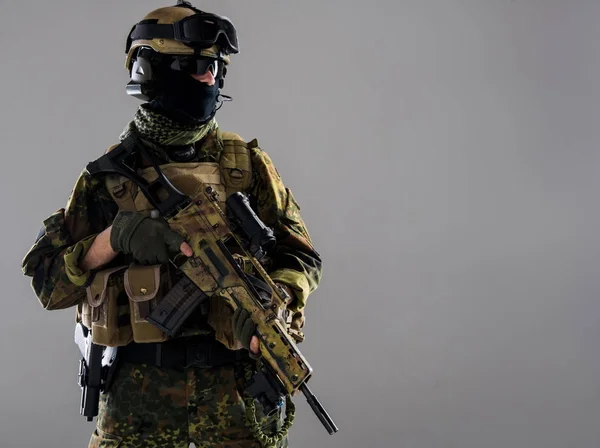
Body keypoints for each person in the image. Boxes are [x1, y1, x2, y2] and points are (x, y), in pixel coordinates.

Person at [21, 2, 322, 447]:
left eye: (217, 67)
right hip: (137, 405)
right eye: (196, 65)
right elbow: (48, 284)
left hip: (234, 401)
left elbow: (302, 258)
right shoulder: (110, 176)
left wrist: (273, 303)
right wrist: (112, 239)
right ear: (150, 71)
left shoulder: (247, 167)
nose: (210, 78)